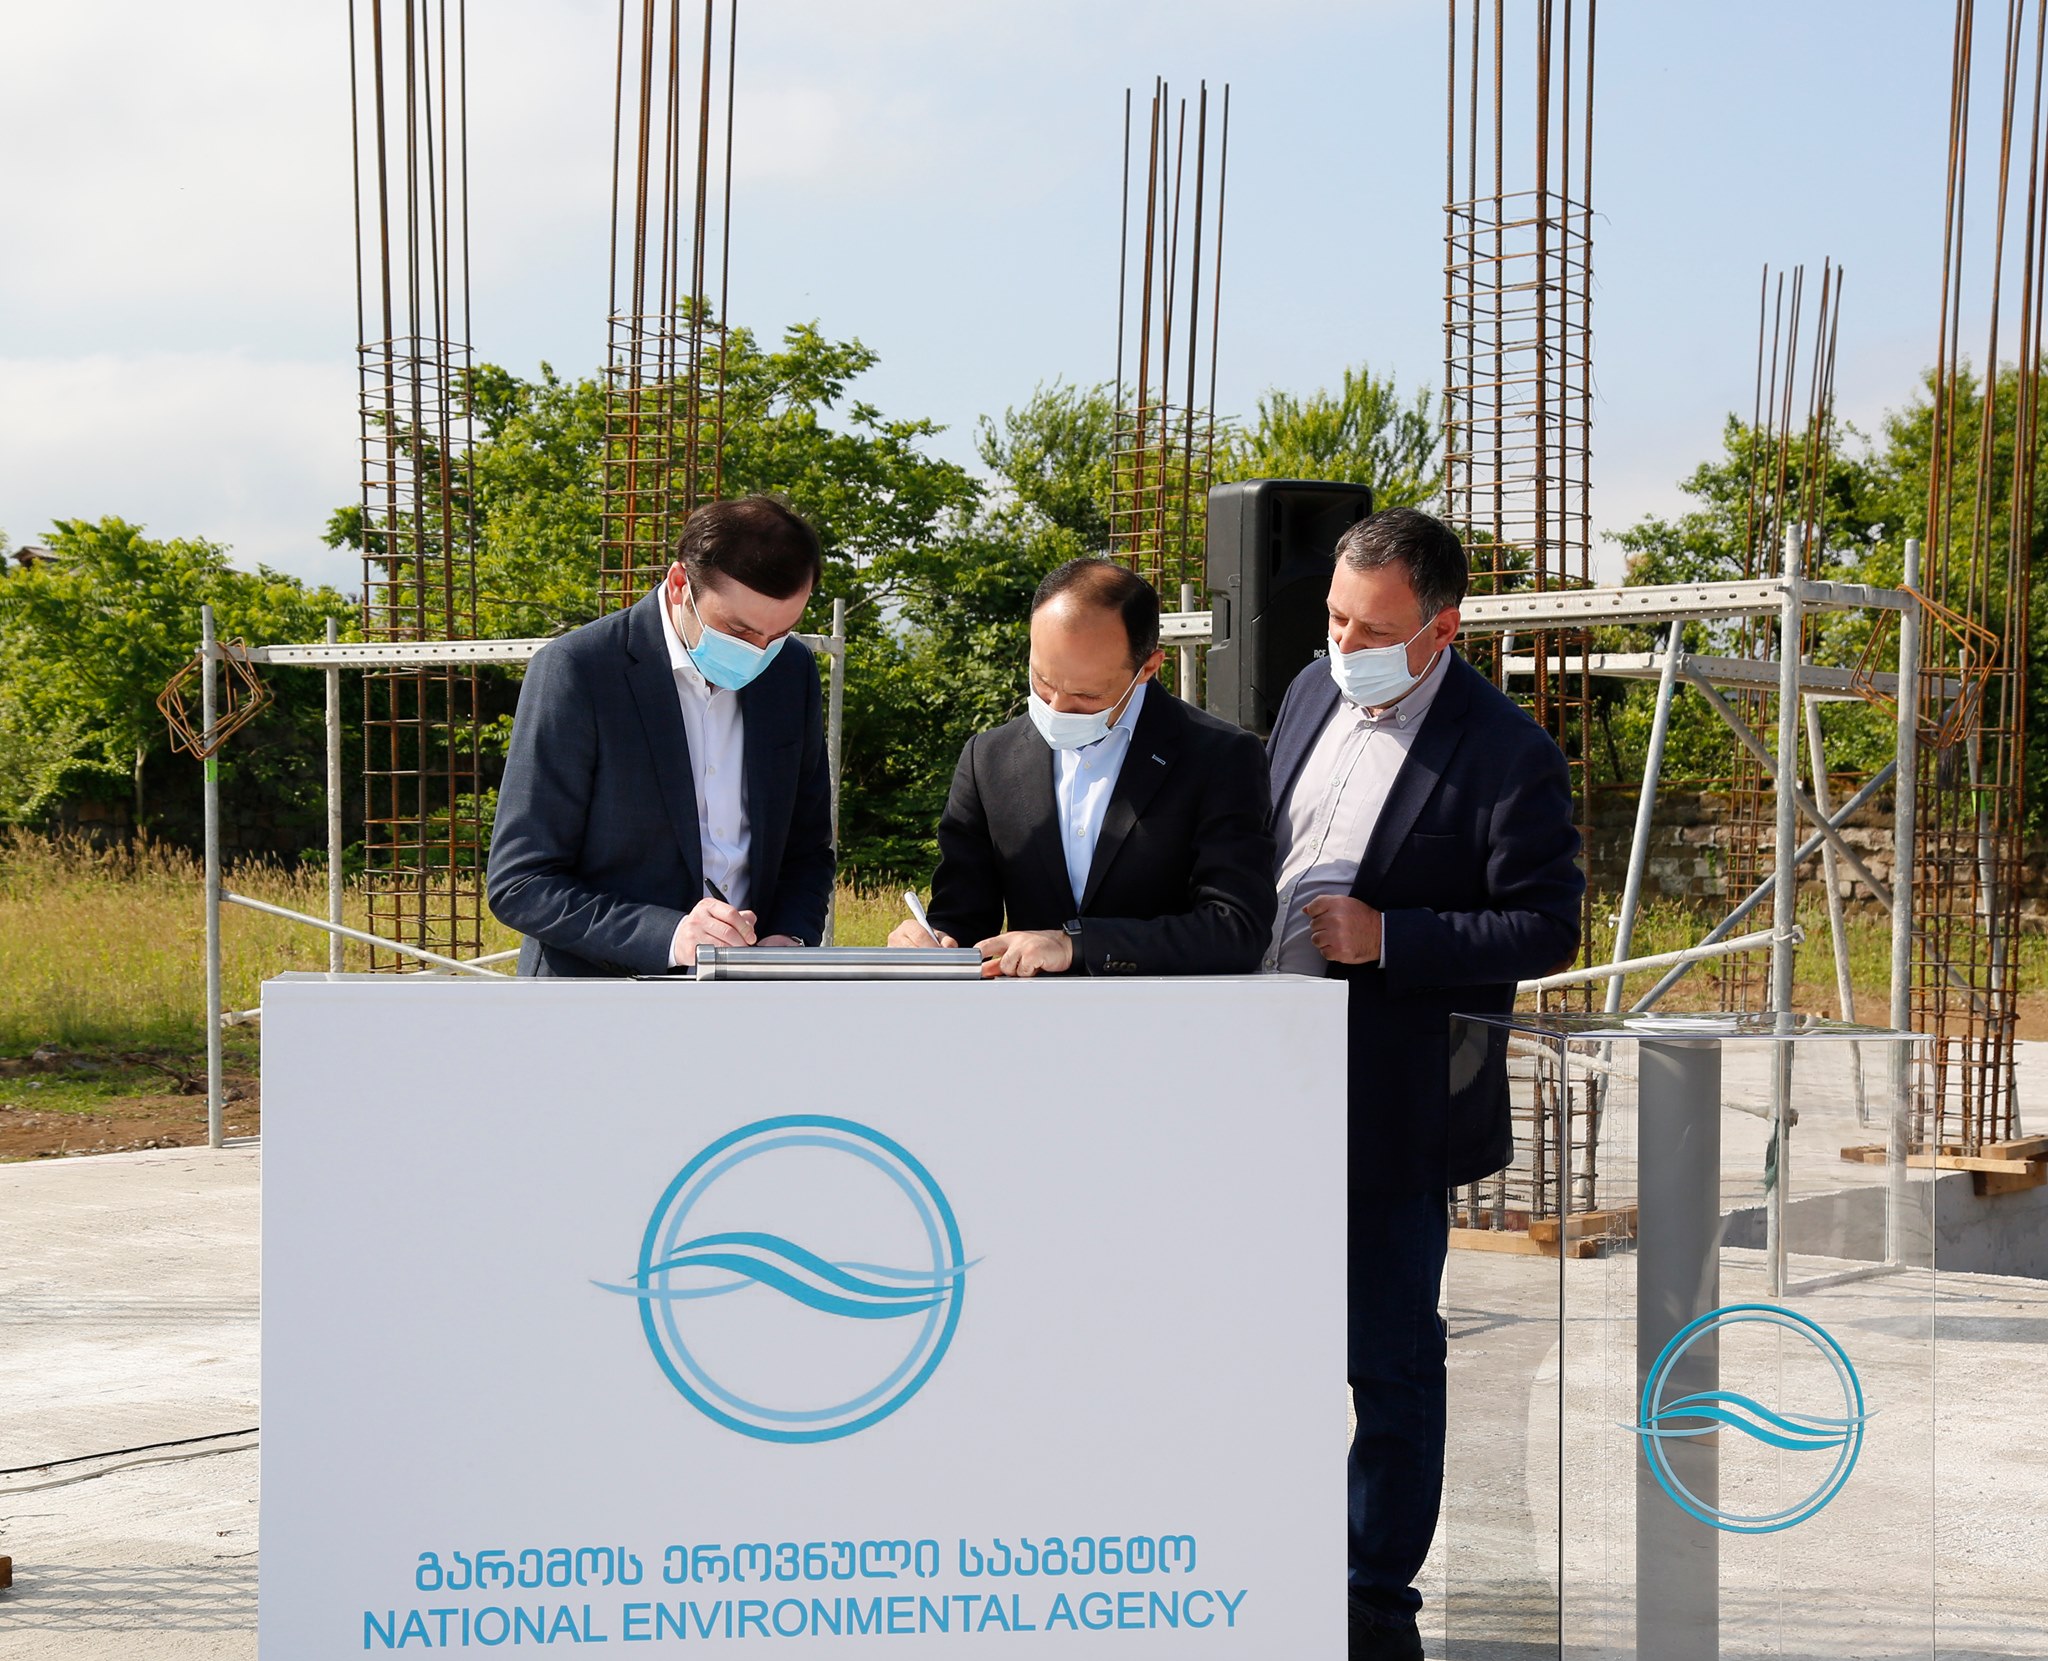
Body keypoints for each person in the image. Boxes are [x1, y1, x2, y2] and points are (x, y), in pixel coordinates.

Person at [1262, 508, 1583, 1661]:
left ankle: (1370, 1602)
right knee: (1261, 1344)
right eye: (1334, 617)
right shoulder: (1307, 692)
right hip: (1261, 1084)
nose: (1342, 643)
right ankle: (1264, 1566)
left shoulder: (1505, 751)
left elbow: (1543, 924)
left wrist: (1388, 936)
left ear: (1440, 629)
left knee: (1387, 1358)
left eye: (1370, 627)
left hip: (1391, 1103)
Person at [487, 495, 835, 976]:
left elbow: (807, 848)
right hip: (597, 995)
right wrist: (671, 937)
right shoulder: (579, 671)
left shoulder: (791, 671)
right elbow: (521, 882)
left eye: (779, 635)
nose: (759, 653)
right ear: (678, 586)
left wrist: (787, 937)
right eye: (738, 632)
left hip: (750, 989)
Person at [889, 557, 1275, 977]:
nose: (1057, 708)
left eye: (1087, 696)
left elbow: (1237, 929)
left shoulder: (1220, 756)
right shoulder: (989, 759)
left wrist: (1077, 945)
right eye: (1043, 682)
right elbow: (964, 920)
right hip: (1029, 1015)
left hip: (1167, 1012)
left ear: (1148, 668)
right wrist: (933, 940)